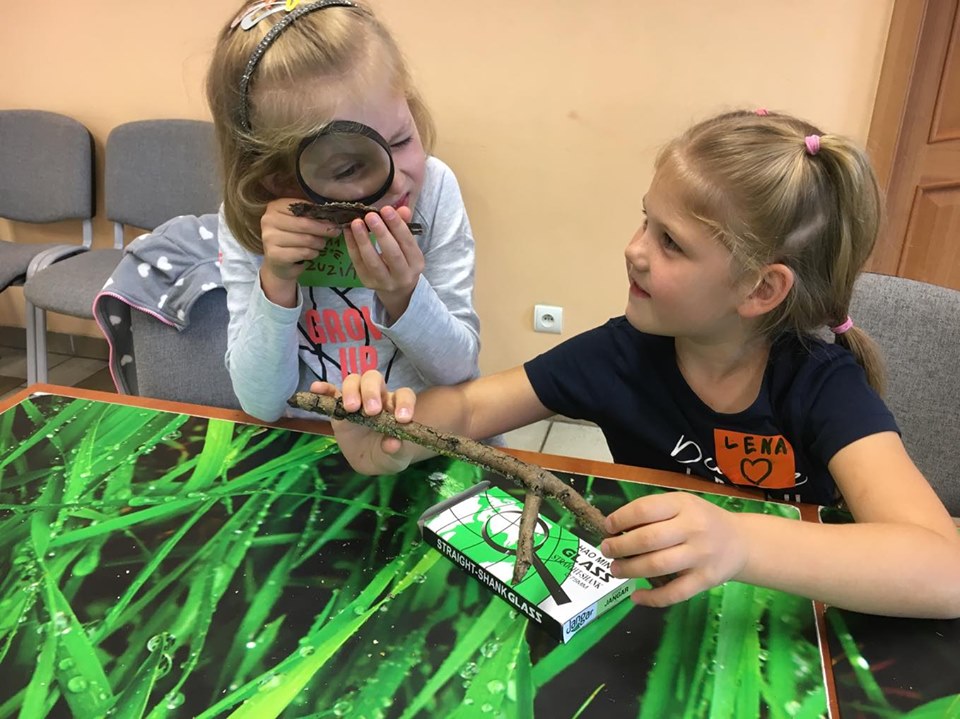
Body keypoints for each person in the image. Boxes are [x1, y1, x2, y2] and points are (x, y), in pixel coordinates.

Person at [313, 109, 960, 619]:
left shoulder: (822, 384)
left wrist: (739, 543)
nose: (634, 250)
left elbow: (942, 568)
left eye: (671, 242)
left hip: (792, 635)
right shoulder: (623, 352)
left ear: (761, 289)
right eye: (646, 221)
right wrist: (394, 429)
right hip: (654, 614)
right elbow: (477, 406)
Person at [205, 0, 481, 421]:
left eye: (403, 139)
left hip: (420, 437)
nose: (396, 179)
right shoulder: (252, 222)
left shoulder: (435, 188)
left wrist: (402, 293)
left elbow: (459, 371)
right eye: (351, 167)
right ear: (276, 180)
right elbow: (260, 403)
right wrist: (276, 283)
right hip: (312, 446)